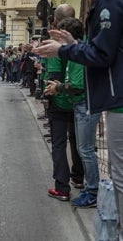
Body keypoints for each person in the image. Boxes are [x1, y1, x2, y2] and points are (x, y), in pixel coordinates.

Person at [33, 0, 123, 235]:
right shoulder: (110, 1)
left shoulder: (109, 2)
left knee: (118, 175)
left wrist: (63, 51)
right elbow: (101, 47)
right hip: (113, 98)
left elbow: (103, 54)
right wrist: (73, 45)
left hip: (117, 100)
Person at [44, 17, 101, 208]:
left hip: (81, 105)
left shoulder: (76, 55)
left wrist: (57, 88)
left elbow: (76, 84)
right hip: (79, 105)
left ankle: (91, 192)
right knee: (81, 147)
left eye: (60, 35)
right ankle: (85, 185)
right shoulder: (76, 53)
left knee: (84, 149)